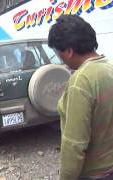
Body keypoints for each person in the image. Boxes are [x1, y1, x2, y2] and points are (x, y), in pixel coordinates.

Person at [48, 15, 113, 179]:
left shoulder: (81, 81)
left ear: (69, 51)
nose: (60, 60)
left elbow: (74, 144)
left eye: (58, 53)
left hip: (95, 173)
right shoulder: (109, 67)